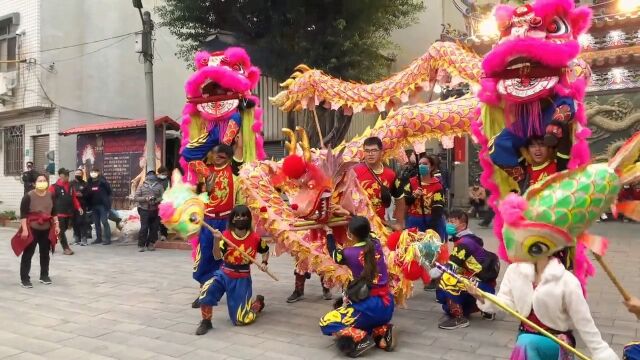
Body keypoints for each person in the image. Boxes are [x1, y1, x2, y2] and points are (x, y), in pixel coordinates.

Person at [466, 255, 618, 359]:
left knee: (526, 344)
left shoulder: (567, 280)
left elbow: (585, 323)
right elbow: (506, 303)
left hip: (558, 342)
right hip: (525, 338)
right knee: (526, 342)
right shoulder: (514, 271)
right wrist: (480, 296)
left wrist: (601, 353)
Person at [319, 216, 395, 358]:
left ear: (350, 234)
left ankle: (361, 338)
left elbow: (334, 254)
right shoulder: (376, 242)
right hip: (387, 305)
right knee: (359, 317)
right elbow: (364, 226)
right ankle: (382, 330)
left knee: (326, 321)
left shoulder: (349, 253)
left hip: (368, 307)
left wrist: (328, 232)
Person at [196, 205, 268, 335]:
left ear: (249, 219)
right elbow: (217, 256)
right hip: (224, 273)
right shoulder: (225, 236)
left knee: (241, 320)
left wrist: (264, 262)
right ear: (233, 219)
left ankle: (257, 304)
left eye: (244, 216)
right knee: (207, 289)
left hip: (242, 278)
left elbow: (265, 250)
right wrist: (216, 241)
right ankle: (206, 321)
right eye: (238, 216)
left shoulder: (255, 238)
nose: (241, 219)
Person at [192, 143, 243, 308]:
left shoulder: (235, 174)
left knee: (226, 258)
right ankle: (204, 293)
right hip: (208, 221)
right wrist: (205, 189)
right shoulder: (206, 173)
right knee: (205, 257)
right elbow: (199, 195)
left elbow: (241, 204)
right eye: (213, 154)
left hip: (227, 222)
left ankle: (226, 291)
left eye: (219, 155)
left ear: (227, 157)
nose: (215, 158)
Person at [436, 210, 498, 330]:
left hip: (481, 286)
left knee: (446, 279)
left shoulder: (464, 243)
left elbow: (450, 268)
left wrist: (434, 268)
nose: (449, 224)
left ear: (463, 225)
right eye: (448, 221)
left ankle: (459, 318)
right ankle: (486, 309)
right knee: (446, 306)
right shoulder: (467, 239)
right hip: (483, 286)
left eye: (453, 222)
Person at [13, 174, 60, 288]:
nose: (42, 182)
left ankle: (44, 275)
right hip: (32, 228)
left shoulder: (51, 195)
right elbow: (23, 215)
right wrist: (24, 229)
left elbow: (54, 212)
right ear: (34, 183)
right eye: (40, 181)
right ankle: (24, 278)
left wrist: (57, 225)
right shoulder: (28, 196)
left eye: (44, 180)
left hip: (46, 228)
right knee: (28, 254)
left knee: (45, 253)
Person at [353, 137, 405, 230]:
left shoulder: (391, 174)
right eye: (367, 151)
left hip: (381, 226)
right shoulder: (354, 171)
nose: (370, 154)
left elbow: (400, 199)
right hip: (359, 226)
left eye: (374, 150)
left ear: (381, 152)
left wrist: (399, 223)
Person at [403, 154, 446, 238]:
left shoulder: (437, 185)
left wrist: (432, 229)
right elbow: (405, 201)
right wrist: (414, 195)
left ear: (432, 167)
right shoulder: (411, 182)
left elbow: (438, 207)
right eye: (420, 164)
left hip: (432, 221)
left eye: (425, 164)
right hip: (414, 222)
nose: (422, 166)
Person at [49, 168, 82, 255]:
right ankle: (66, 248)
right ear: (60, 176)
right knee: (61, 230)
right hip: (58, 212)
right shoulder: (54, 187)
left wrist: (79, 207)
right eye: (62, 177)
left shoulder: (71, 186)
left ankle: (49, 241)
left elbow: (74, 198)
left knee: (65, 228)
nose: (64, 179)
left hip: (69, 212)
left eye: (66, 177)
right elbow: (49, 199)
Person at [134, 170, 164, 252]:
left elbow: (163, 196)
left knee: (154, 228)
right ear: (147, 177)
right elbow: (136, 197)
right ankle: (141, 245)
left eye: (153, 175)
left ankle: (151, 244)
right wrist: (145, 199)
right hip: (144, 209)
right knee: (144, 227)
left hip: (156, 209)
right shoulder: (141, 186)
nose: (151, 177)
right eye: (149, 175)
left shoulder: (160, 186)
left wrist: (156, 200)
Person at [86, 168, 113, 245]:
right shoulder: (89, 183)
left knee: (104, 221)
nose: (93, 173)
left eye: (95, 172)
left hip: (102, 206)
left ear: (98, 173)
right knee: (96, 223)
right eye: (92, 172)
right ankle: (99, 238)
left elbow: (109, 192)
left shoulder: (103, 182)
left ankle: (108, 239)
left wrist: (107, 202)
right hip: (93, 206)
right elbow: (87, 193)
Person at [157, 166, 170, 241]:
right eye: (164, 173)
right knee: (157, 219)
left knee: (163, 219)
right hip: (156, 202)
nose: (165, 175)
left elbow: (168, 190)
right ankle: (157, 233)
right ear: (159, 173)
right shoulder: (155, 180)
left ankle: (164, 234)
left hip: (164, 202)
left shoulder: (167, 180)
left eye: (166, 173)